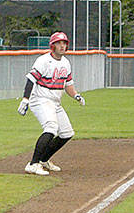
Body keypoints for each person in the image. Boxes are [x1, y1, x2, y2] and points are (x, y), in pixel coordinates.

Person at [17, 31, 85, 176]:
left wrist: (76, 95)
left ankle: (43, 160)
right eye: (58, 43)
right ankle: (33, 164)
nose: (62, 46)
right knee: (51, 127)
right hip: (41, 99)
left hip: (55, 101)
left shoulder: (66, 63)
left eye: (64, 43)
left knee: (66, 132)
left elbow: (68, 85)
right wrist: (25, 99)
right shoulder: (43, 60)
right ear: (52, 46)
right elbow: (31, 80)